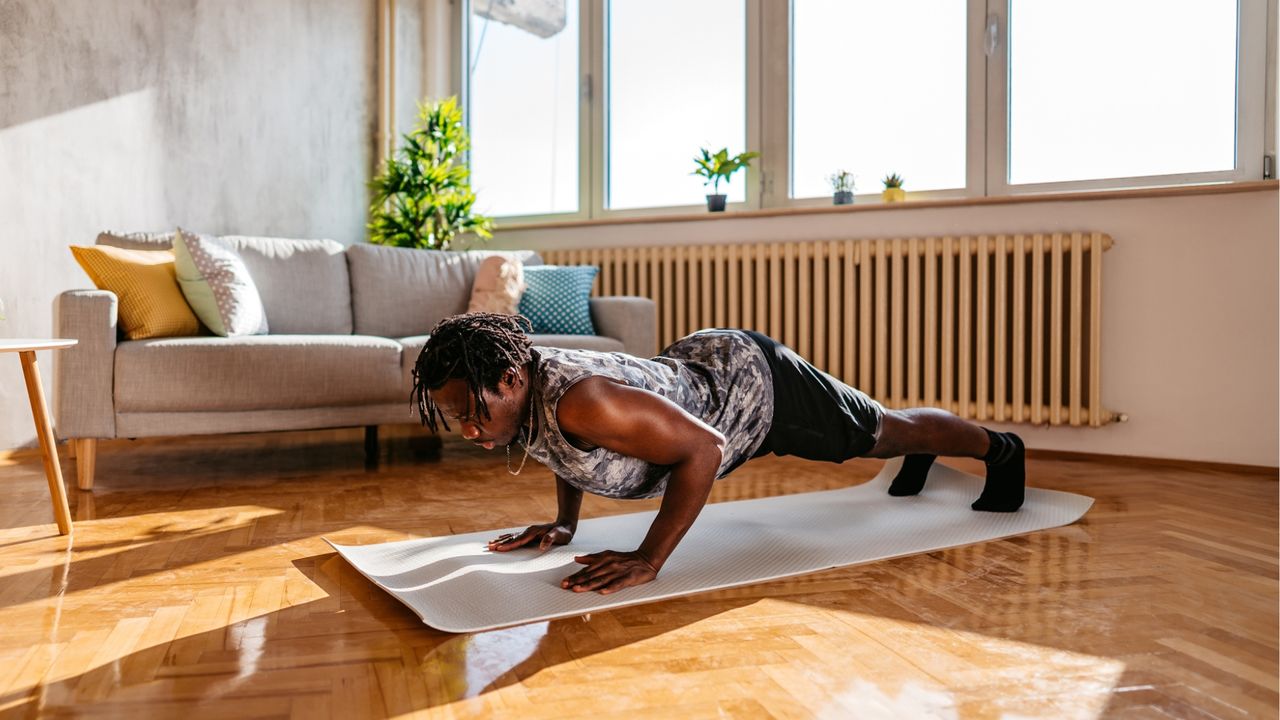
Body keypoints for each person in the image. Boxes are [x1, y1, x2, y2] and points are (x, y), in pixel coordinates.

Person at [411, 312, 1025, 597]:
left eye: (471, 411)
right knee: (889, 435)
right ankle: (918, 455)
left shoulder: (583, 401)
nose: (467, 429)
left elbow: (707, 447)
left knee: (882, 432)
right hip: (699, 369)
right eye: (454, 416)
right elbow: (563, 450)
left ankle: (1000, 449)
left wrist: (650, 560)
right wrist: (565, 522)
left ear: (512, 379)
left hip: (754, 388)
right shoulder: (522, 401)